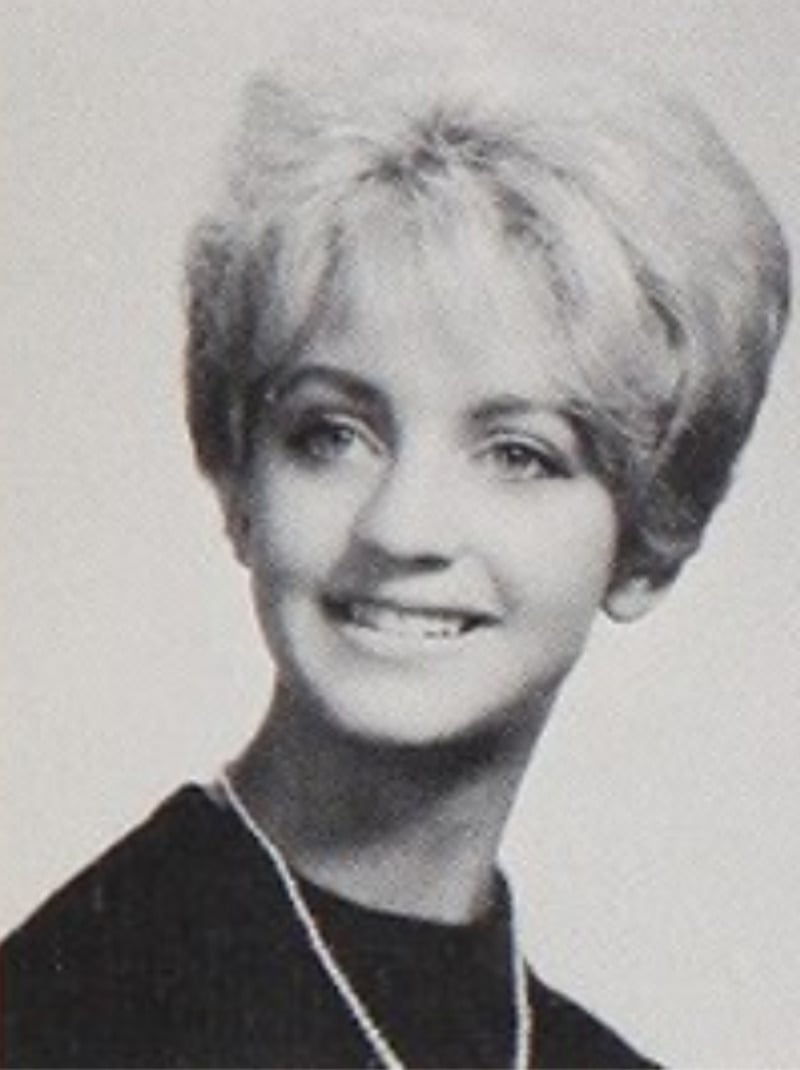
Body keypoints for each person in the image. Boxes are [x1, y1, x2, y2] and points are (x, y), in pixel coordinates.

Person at [3, 20, 790, 1069]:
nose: (401, 525)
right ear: (237, 480)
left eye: (516, 452)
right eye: (332, 434)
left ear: (649, 537)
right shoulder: (65, 1014)